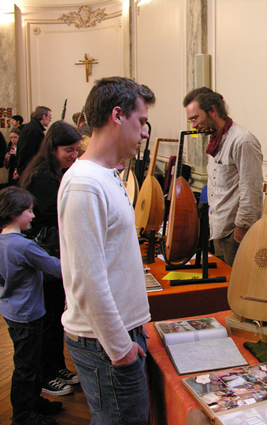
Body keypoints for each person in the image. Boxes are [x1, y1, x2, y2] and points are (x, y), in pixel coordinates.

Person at [58, 76, 155, 424]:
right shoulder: (86, 183)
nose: (144, 133)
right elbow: (88, 281)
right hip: (105, 344)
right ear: (117, 115)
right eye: (141, 121)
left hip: (116, 336)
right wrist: (120, 350)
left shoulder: (105, 175)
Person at [20, 121, 82, 397]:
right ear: (53, 148)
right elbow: (56, 214)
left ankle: (56, 367)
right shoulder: (42, 177)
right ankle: (46, 375)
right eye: (69, 150)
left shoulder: (54, 170)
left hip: (53, 253)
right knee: (47, 319)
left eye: (76, 150)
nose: (74, 155)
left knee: (56, 314)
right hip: (46, 255)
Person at [0, 186, 62, 425]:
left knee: (30, 362)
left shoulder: (5, 242)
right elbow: (57, 269)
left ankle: (34, 403)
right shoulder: (24, 246)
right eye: (29, 211)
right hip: (28, 314)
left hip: (13, 311)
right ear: (16, 214)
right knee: (26, 367)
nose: (33, 216)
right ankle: (23, 416)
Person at [183, 87, 263, 266]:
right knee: (222, 289)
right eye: (191, 120)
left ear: (212, 111)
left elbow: (252, 190)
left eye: (195, 118)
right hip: (219, 230)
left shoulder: (242, 140)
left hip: (236, 234)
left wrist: (241, 229)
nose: (193, 125)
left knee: (239, 289)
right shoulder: (215, 141)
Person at [16, 106, 52, 179]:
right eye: (49, 117)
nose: (50, 120)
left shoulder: (33, 127)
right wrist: (21, 170)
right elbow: (27, 152)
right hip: (30, 170)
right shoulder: (33, 129)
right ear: (44, 116)